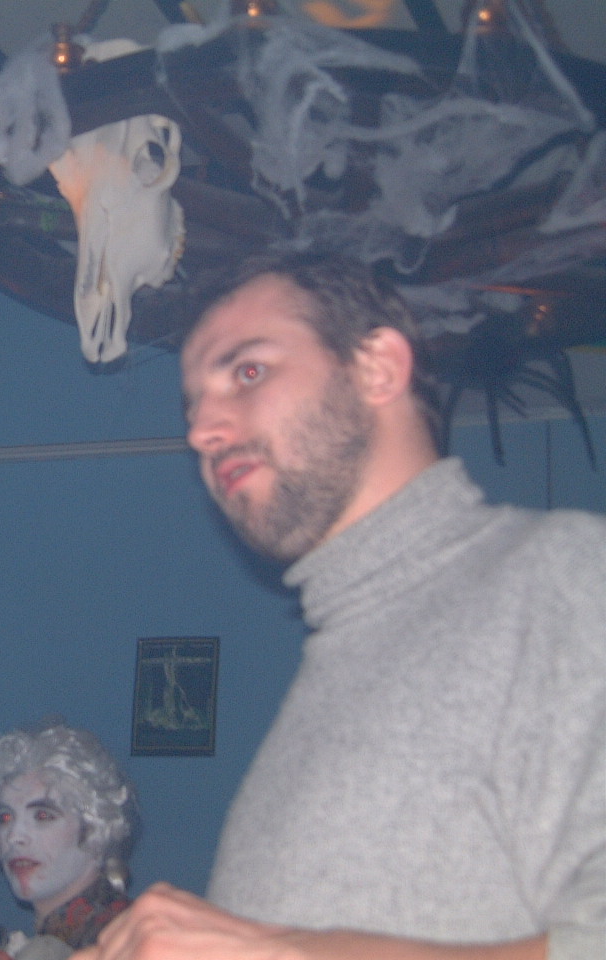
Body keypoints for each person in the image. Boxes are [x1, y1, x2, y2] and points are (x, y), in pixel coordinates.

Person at [85, 253, 605, 960]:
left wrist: (281, 951)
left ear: (377, 368)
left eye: (248, 372)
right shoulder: (334, 669)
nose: (202, 429)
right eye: (192, 407)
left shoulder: (563, 578)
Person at [0, 722, 139, 960]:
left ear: (94, 829)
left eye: (43, 816)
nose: (14, 836)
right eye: (5, 817)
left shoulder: (121, 942)